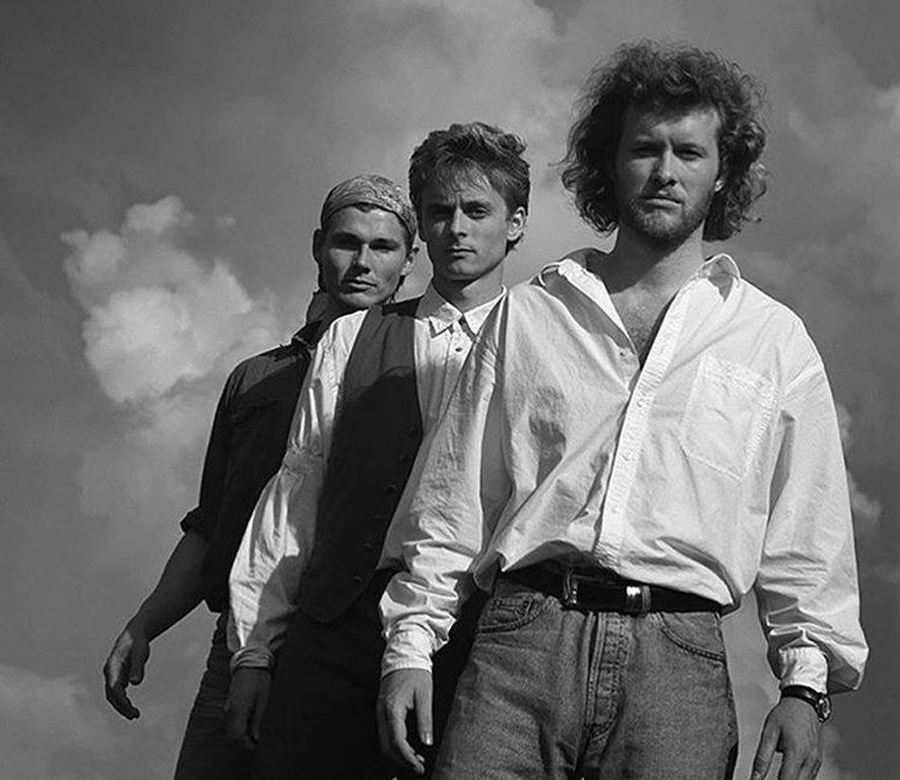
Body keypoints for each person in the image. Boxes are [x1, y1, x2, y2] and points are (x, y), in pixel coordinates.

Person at [378, 42, 868, 780]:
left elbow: (809, 535)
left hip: (679, 666)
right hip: (519, 645)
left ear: (723, 172)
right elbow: (452, 499)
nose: (665, 171)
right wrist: (411, 645)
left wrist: (805, 688)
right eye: (644, 148)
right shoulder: (529, 315)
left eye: (689, 152)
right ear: (609, 161)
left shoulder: (773, 342)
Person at [226, 122, 530, 780]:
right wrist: (255, 651)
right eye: (440, 211)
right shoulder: (353, 337)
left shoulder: (541, 339)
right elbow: (296, 494)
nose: (457, 228)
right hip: (336, 630)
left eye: (477, 211)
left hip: (478, 642)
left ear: (516, 223)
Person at [101, 174, 417, 779]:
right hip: (238, 641)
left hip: (360, 637)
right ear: (318, 247)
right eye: (346, 242)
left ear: (408, 261)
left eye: (382, 247)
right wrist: (145, 622)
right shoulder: (256, 379)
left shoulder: (422, 366)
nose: (362, 263)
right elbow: (211, 525)